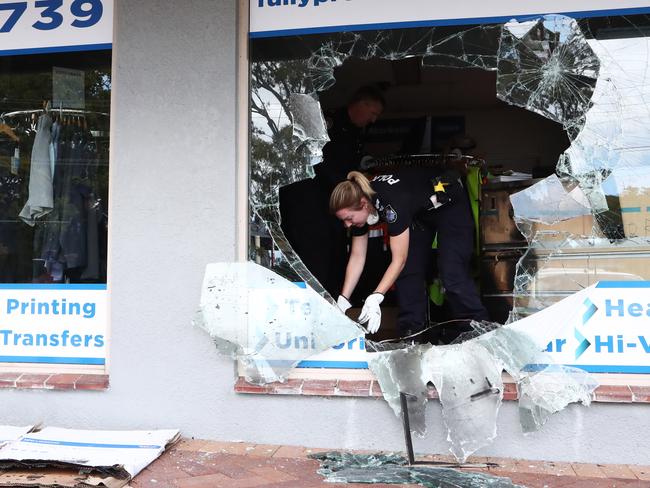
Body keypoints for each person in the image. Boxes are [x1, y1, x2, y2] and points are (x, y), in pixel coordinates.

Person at [331, 168, 488, 340]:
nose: (347, 225)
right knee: (408, 273)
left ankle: (476, 331)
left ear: (363, 204)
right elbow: (357, 256)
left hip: (448, 202)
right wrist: (343, 300)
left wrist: (376, 296)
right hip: (419, 211)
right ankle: (412, 333)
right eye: (343, 220)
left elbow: (399, 260)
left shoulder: (391, 205)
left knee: (452, 270)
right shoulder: (362, 205)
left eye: (349, 218)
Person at [279, 86, 385, 296]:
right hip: (309, 206)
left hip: (335, 211)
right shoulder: (327, 123)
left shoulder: (356, 134)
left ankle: (333, 305)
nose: (373, 120)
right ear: (361, 104)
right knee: (312, 259)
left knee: (335, 258)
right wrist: (350, 191)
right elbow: (318, 162)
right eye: (373, 113)